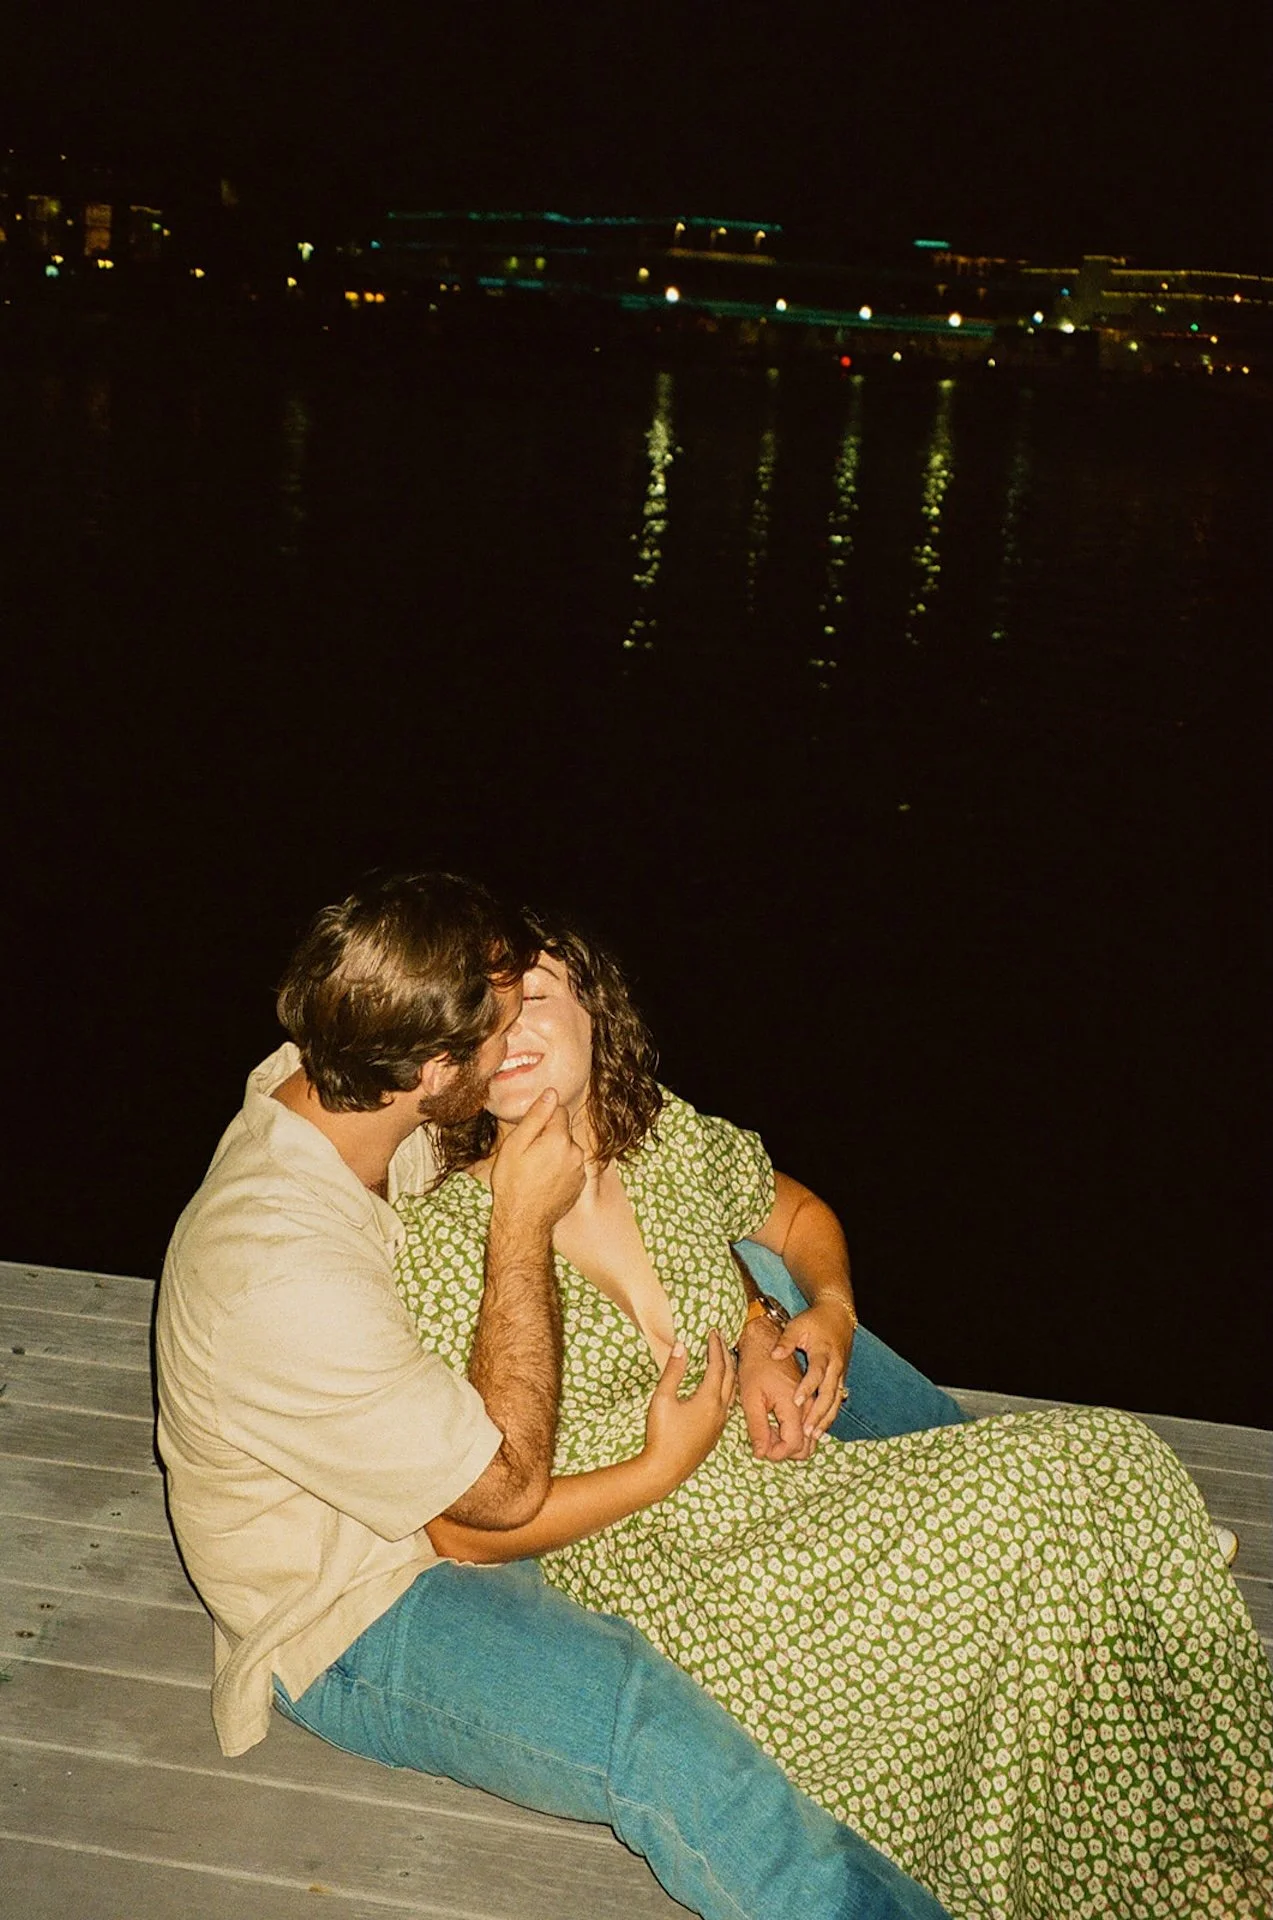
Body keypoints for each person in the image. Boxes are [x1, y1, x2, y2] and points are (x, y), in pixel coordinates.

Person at [394, 915, 1273, 1920]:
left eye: (535, 997)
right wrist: (658, 1468)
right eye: (483, 1014)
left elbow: (797, 1217)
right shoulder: (449, 1241)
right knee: (1078, 1490)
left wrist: (823, 1313)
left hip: (801, 1497)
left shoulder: (664, 1143)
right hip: (695, 1587)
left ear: (599, 1012)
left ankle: (1206, 1844)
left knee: (1106, 1487)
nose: (508, 1031)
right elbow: (461, 1530)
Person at [154, 870, 960, 1920]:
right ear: (437, 1069)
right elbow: (491, 1503)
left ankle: (974, 1481)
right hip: (359, 1594)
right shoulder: (281, 1274)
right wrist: (526, 1234)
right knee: (651, 1733)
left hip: (432, 1443)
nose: (515, 1039)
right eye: (495, 1023)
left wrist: (768, 1322)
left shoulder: (341, 1072)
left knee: (757, 1280)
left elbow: (731, 1211)